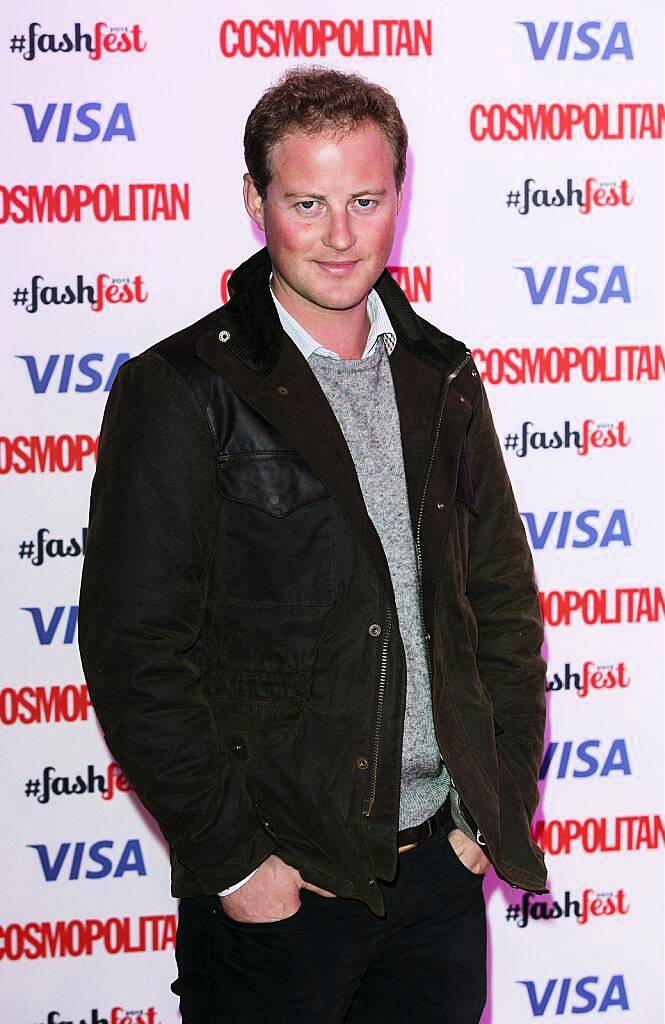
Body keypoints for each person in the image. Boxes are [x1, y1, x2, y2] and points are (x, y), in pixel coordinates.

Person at [78, 65, 549, 1024]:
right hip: (282, 896)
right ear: (256, 202)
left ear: (397, 199)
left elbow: (501, 609)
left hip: (439, 882)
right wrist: (239, 863)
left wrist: (482, 818)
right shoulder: (181, 389)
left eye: (365, 200)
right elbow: (135, 651)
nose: (339, 235)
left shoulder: (443, 375)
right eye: (307, 202)